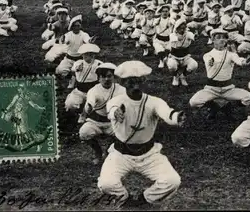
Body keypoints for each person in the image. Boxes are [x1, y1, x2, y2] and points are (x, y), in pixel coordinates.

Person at [98, 60, 185, 208]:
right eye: (131, 83)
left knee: (172, 181)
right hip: (121, 154)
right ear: (123, 83)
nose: (136, 87)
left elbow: (166, 112)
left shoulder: (154, 101)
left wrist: (176, 117)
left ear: (144, 81)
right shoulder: (117, 100)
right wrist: (115, 112)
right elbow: (112, 109)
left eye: (139, 82)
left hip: (149, 154)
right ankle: (125, 199)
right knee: (106, 184)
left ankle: (143, 200)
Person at [189, 28, 250, 119]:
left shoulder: (231, 54)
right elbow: (210, 62)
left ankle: (230, 106)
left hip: (228, 89)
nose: (222, 40)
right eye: (218, 37)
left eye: (224, 37)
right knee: (194, 102)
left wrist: (244, 62)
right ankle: (214, 106)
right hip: (211, 89)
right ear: (213, 40)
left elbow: (239, 60)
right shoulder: (207, 55)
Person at [78, 63, 126, 165]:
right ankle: (98, 152)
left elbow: (126, 104)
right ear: (99, 78)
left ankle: (108, 150)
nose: (106, 79)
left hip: (113, 121)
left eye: (109, 76)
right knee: (84, 132)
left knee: (125, 135)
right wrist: (89, 107)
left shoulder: (121, 90)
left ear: (113, 77)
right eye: (103, 77)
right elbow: (90, 102)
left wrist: (120, 111)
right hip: (96, 121)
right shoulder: (94, 90)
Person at [167, 19, 198, 86]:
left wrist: (195, 34)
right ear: (176, 28)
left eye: (183, 28)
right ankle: (175, 77)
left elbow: (193, 37)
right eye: (180, 28)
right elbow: (176, 39)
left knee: (194, 65)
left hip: (185, 57)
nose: (182, 30)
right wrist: (179, 36)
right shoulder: (172, 35)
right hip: (174, 57)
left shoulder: (188, 34)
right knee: (172, 66)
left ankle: (183, 76)